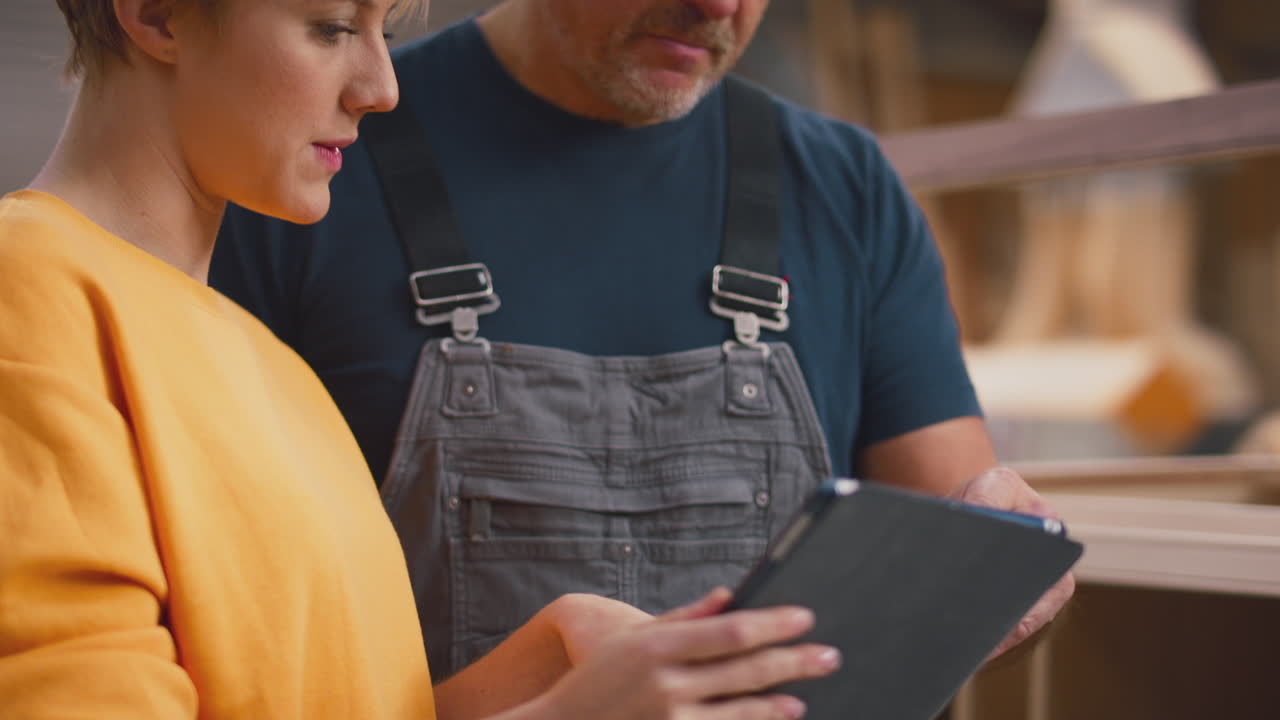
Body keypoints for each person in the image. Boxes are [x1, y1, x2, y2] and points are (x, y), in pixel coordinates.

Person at [0, 0, 841, 718]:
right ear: (154, 13)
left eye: (386, 33)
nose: (381, 89)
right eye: (331, 27)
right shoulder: (28, 291)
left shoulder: (271, 367)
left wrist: (541, 665)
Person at [211, 0, 1076, 680]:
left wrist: (1003, 579)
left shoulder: (846, 192)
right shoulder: (315, 163)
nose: (719, 2)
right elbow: (235, 625)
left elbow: (961, 561)